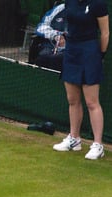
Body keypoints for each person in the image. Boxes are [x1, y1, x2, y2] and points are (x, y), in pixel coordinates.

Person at [53, 0, 109, 160]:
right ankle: (74, 139)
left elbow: (105, 33)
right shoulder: (69, 2)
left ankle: (98, 145)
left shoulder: (98, 4)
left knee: (92, 102)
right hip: (72, 51)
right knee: (72, 100)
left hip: (90, 52)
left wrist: (100, 55)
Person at [33, 2, 67, 71]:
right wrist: (55, 35)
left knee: (57, 59)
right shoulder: (59, 9)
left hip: (73, 49)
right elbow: (41, 27)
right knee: (43, 58)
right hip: (50, 46)